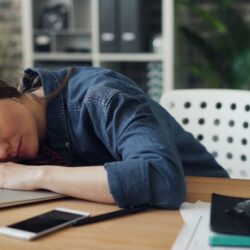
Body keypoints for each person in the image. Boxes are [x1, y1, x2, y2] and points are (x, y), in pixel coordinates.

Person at [0, 66, 229, 209]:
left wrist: (39, 176)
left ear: (6, 94)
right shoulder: (25, 135)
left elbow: (161, 178)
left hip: (207, 210)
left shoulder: (102, 96)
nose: (2, 153)